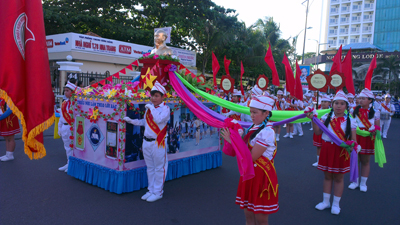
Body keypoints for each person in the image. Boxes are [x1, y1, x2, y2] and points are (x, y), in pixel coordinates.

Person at [221, 95, 278, 225]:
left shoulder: (267, 132)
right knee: (249, 216)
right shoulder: (254, 127)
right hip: (250, 174)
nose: (252, 115)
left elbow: (250, 157)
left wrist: (233, 142)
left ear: (266, 113)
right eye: (251, 112)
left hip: (261, 177)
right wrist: (237, 136)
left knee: (261, 219)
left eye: (255, 112)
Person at [307, 90, 358, 215]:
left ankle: (336, 204)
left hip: (341, 151)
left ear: (346, 106)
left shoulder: (350, 121)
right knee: (327, 176)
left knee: (339, 178)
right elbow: (318, 133)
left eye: (342, 103)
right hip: (327, 148)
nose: (339, 106)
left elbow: (354, 140)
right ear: (332, 104)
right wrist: (313, 120)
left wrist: (353, 147)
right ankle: (325, 202)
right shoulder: (325, 117)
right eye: (336, 103)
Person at [123, 81, 170, 202]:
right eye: (152, 95)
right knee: (150, 167)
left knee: (159, 168)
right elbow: (145, 123)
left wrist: (151, 108)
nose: (153, 98)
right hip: (146, 141)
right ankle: (151, 190)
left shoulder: (165, 109)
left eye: (156, 96)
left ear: (162, 97)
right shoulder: (150, 109)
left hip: (158, 142)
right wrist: (132, 121)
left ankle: (158, 192)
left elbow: (159, 119)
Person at [348, 88, 380, 193]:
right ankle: (355, 182)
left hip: (367, 138)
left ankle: (363, 183)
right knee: (355, 159)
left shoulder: (375, 113)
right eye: (360, 98)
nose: (360, 100)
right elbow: (350, 124)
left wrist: (374, 131)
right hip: (356, 137)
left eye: (363, 98)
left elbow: (378, 127)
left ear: (370, 100)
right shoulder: (353, 111)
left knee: (365, 161)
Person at [57, 81, 77, 172]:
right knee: (67, 147)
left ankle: (72, 165)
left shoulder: (76, 103)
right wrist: (59, 128)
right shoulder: (64, 103)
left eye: (67, 90)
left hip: (72, 127)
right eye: (65, 90)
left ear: (72, 92)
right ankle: (68, 162)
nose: (65, 92)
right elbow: (61, 117)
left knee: (73, 147)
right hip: (65, 127)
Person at [312, 95, 331, 167]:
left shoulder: (331, 111)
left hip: (328, 132)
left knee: (328, 147)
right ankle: (318, 161)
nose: (323, 103)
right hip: (319, 130)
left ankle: (327, 161)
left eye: (325, 102)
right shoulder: (317, 110)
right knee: (319, 146)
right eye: (322, 101)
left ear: (329, 103)